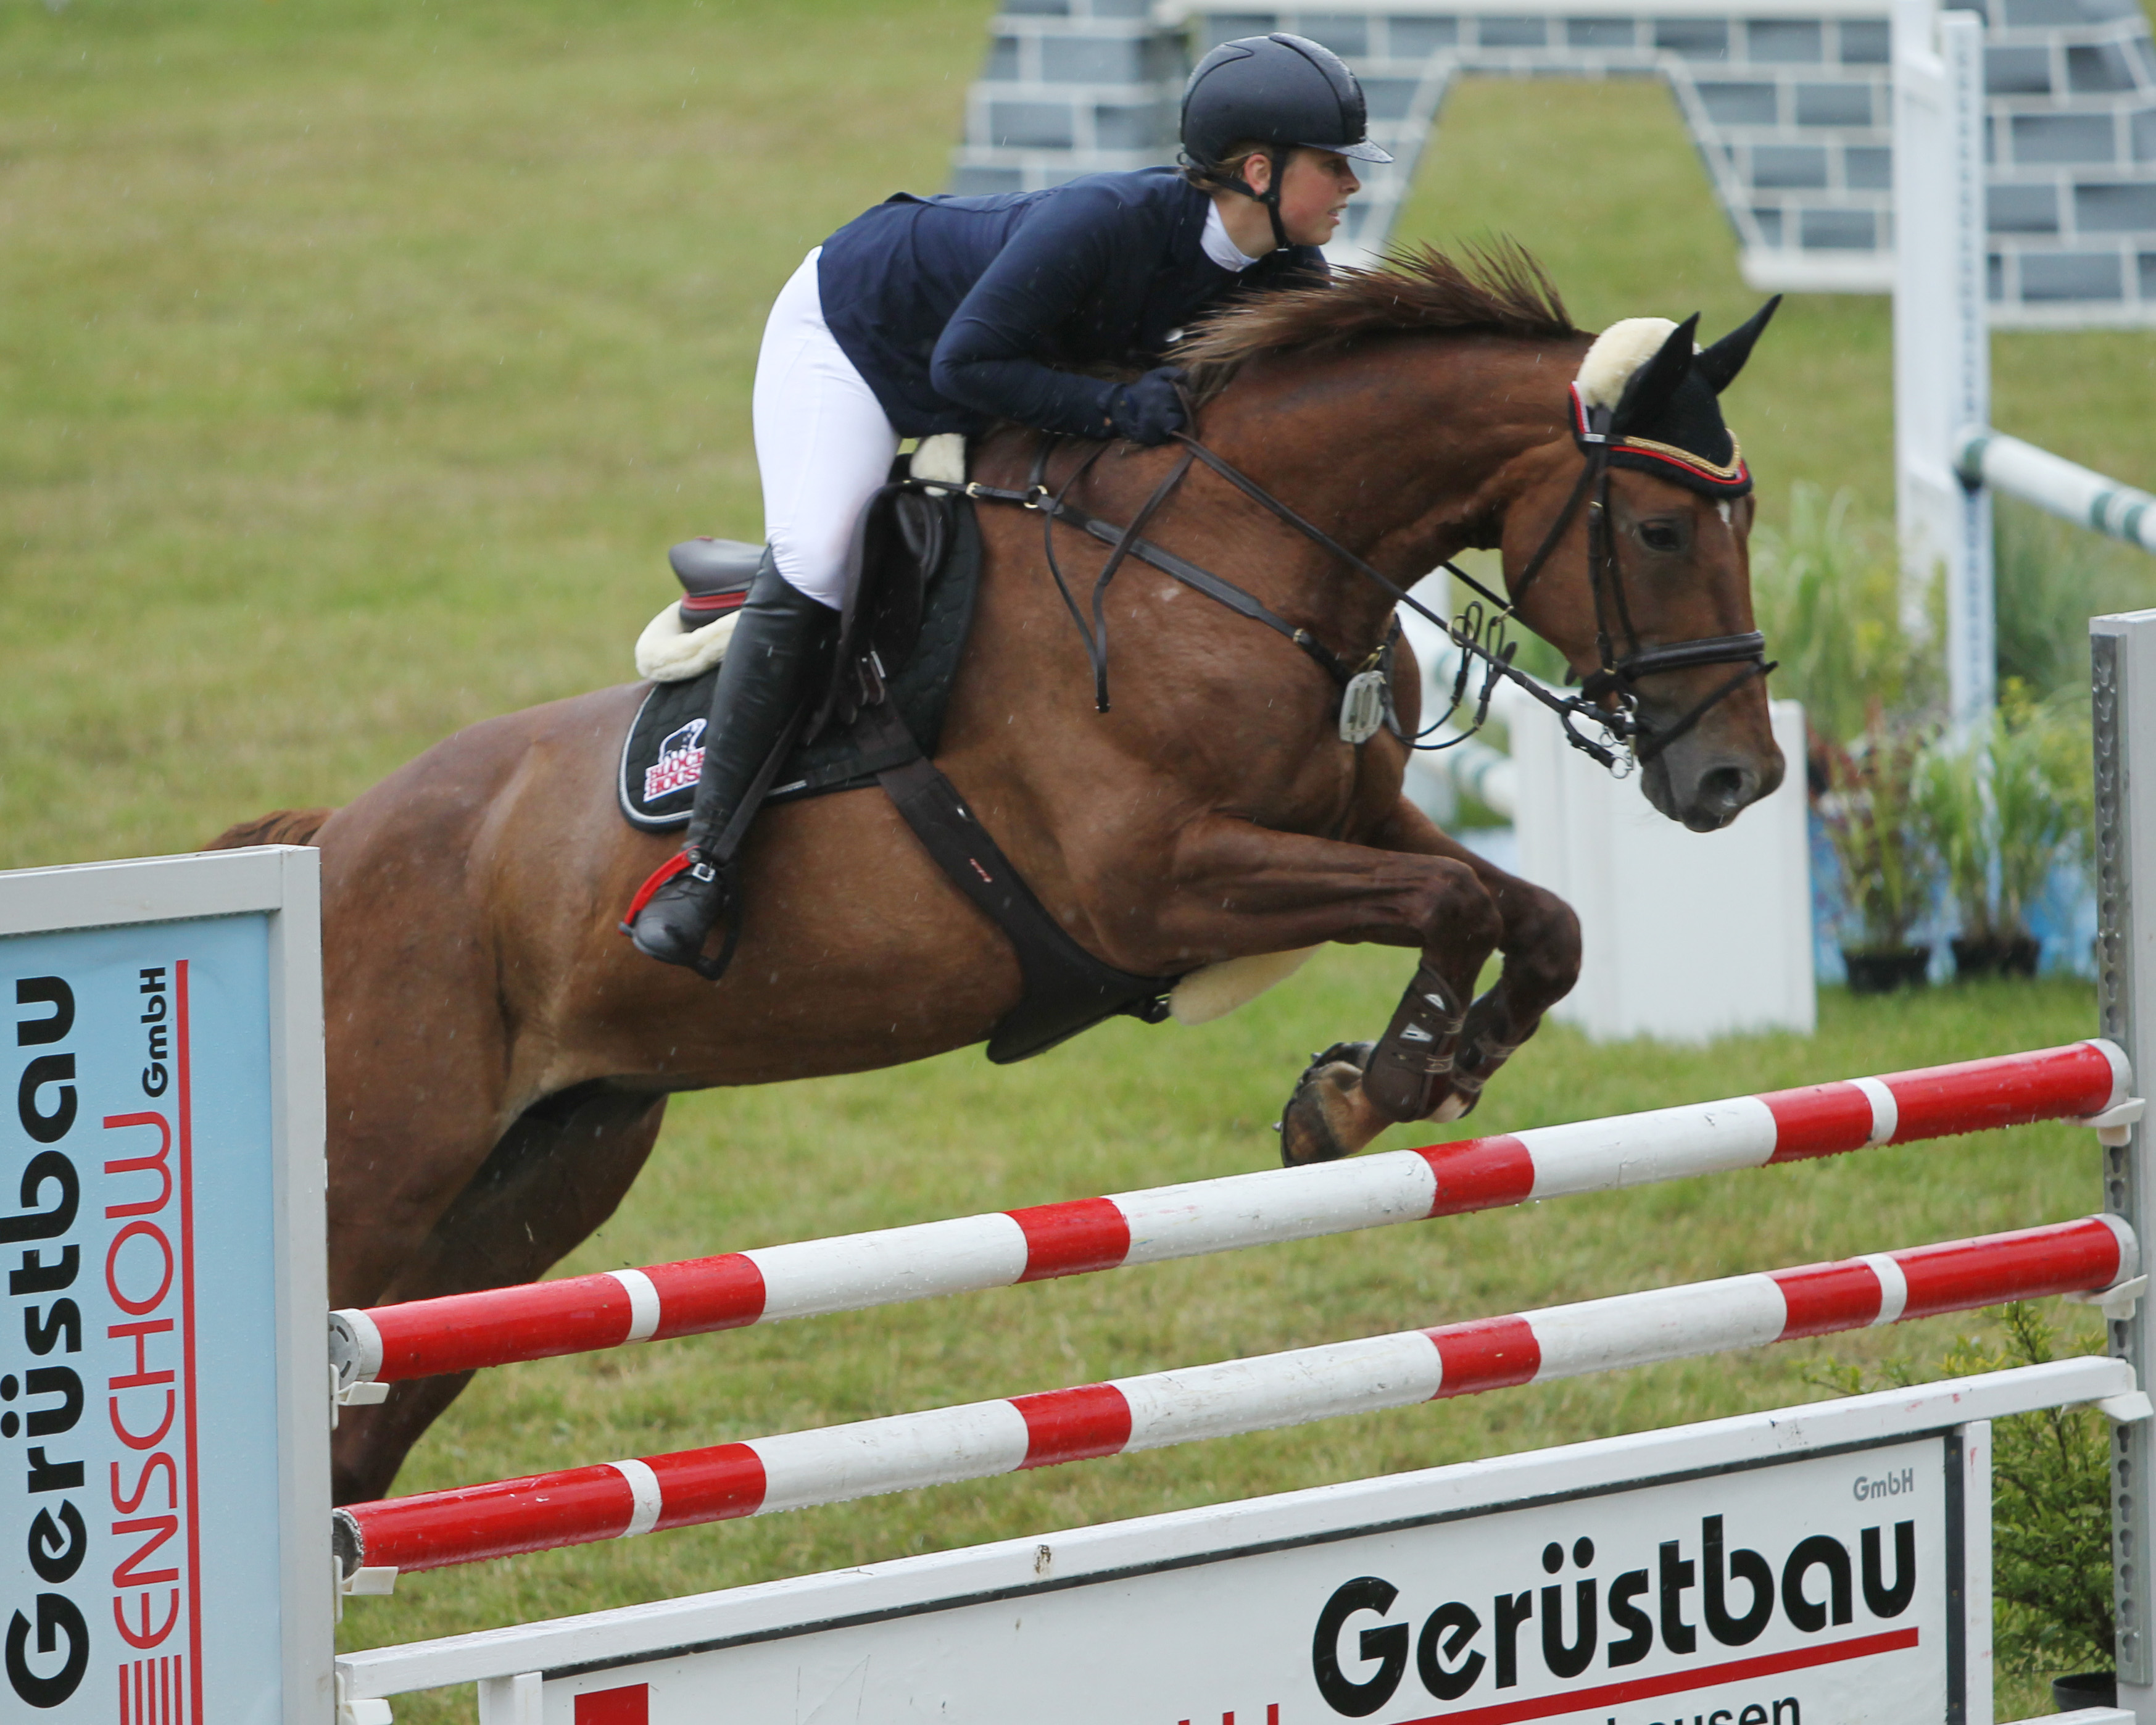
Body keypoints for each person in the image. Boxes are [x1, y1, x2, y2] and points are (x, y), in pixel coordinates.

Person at [629, 32, 1391, 971]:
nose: (1352, 184)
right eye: (1335, 164)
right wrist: (1114, 405)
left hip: (990, 362)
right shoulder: (1105, 221)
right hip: (861, 339)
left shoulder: (1285, 271)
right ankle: (702, 864)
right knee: (823, 554)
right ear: (1258, 170)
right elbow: (965, 365)